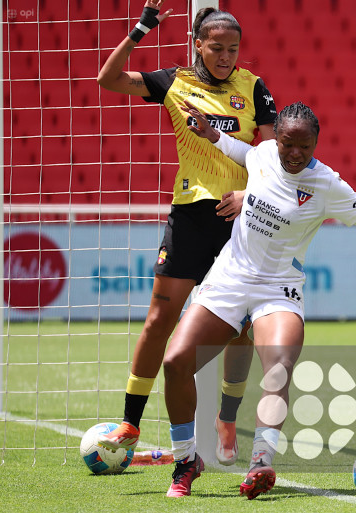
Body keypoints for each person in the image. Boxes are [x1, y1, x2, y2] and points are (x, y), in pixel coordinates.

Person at [160, 100, 356, 498]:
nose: (295, 154)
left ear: (316, 143)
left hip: (279, 289)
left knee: (278, 367)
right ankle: (186, 463)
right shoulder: (266, 153)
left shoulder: (327, 185)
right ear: (279, 139)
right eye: (288, 144)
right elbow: (247, 153)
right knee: (175, 362)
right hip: (229, 279)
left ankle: (261, 463)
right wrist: (212, 134)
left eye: (305, 146)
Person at [95, 0, 277, 467]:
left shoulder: (253, 88)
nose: (225, 57)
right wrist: (140, 29)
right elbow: (108, 79)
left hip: (239, 221)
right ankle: (131, 421)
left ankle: (227, 418)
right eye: (217, 48)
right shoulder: (175, 81)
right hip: (190, 214)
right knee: (160, 318)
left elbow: (273, 158)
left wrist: (249, 197)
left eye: (233, 49)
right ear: (198, 44)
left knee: (242, 328)